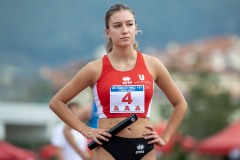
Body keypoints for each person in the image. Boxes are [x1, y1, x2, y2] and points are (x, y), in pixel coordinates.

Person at [49, 3, 188, 160]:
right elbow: (57, 102)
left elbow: (180, 104)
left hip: (143, 145)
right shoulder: (94, 69)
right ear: (107, 32)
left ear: (136, 28)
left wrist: (165, 137)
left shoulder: (153, 64)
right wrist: (86, 130)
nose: (124, 30)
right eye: (117, 25)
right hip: (108, 147)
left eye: (129, 24)